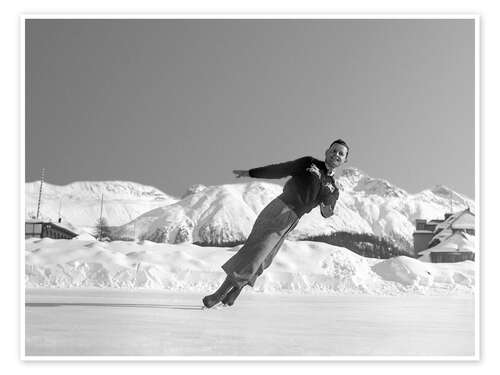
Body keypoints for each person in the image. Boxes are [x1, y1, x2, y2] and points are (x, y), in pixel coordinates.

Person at [202, 139, 349, 308]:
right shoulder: (309, 163)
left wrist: (327, 209)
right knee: (255, 254)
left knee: (265, 259)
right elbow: (281, 169)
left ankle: (234, 293)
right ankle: (219, 295)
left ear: (344, 160)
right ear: (326, 151)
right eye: (334, 150)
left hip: (292, 220)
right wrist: (251, 172)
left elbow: (327, 209)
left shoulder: (333, 188)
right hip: (279, 208)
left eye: (341, 153)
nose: (336, 154)